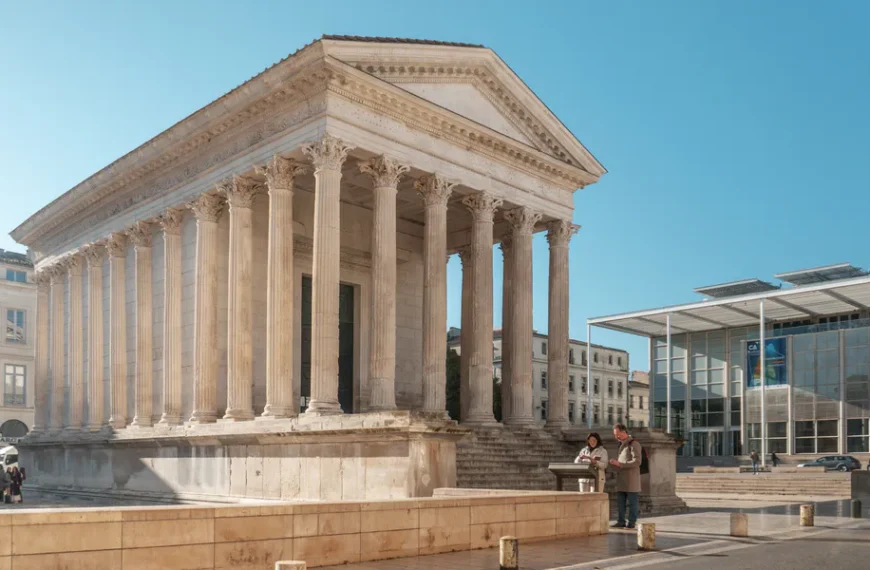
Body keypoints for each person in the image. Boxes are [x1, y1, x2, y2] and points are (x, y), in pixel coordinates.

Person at [608, 423, 642, 529]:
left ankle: (631, 522)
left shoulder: (633, 443)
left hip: (631, 479)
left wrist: (620, 464)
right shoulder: (622, 444)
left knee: (632, 503)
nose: (616, 436)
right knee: (620, 503)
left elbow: (637, 462)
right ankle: (621, 521)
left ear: (624, 432)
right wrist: (614, 464)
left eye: (617, 434)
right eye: (615, 434)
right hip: (622, 479)